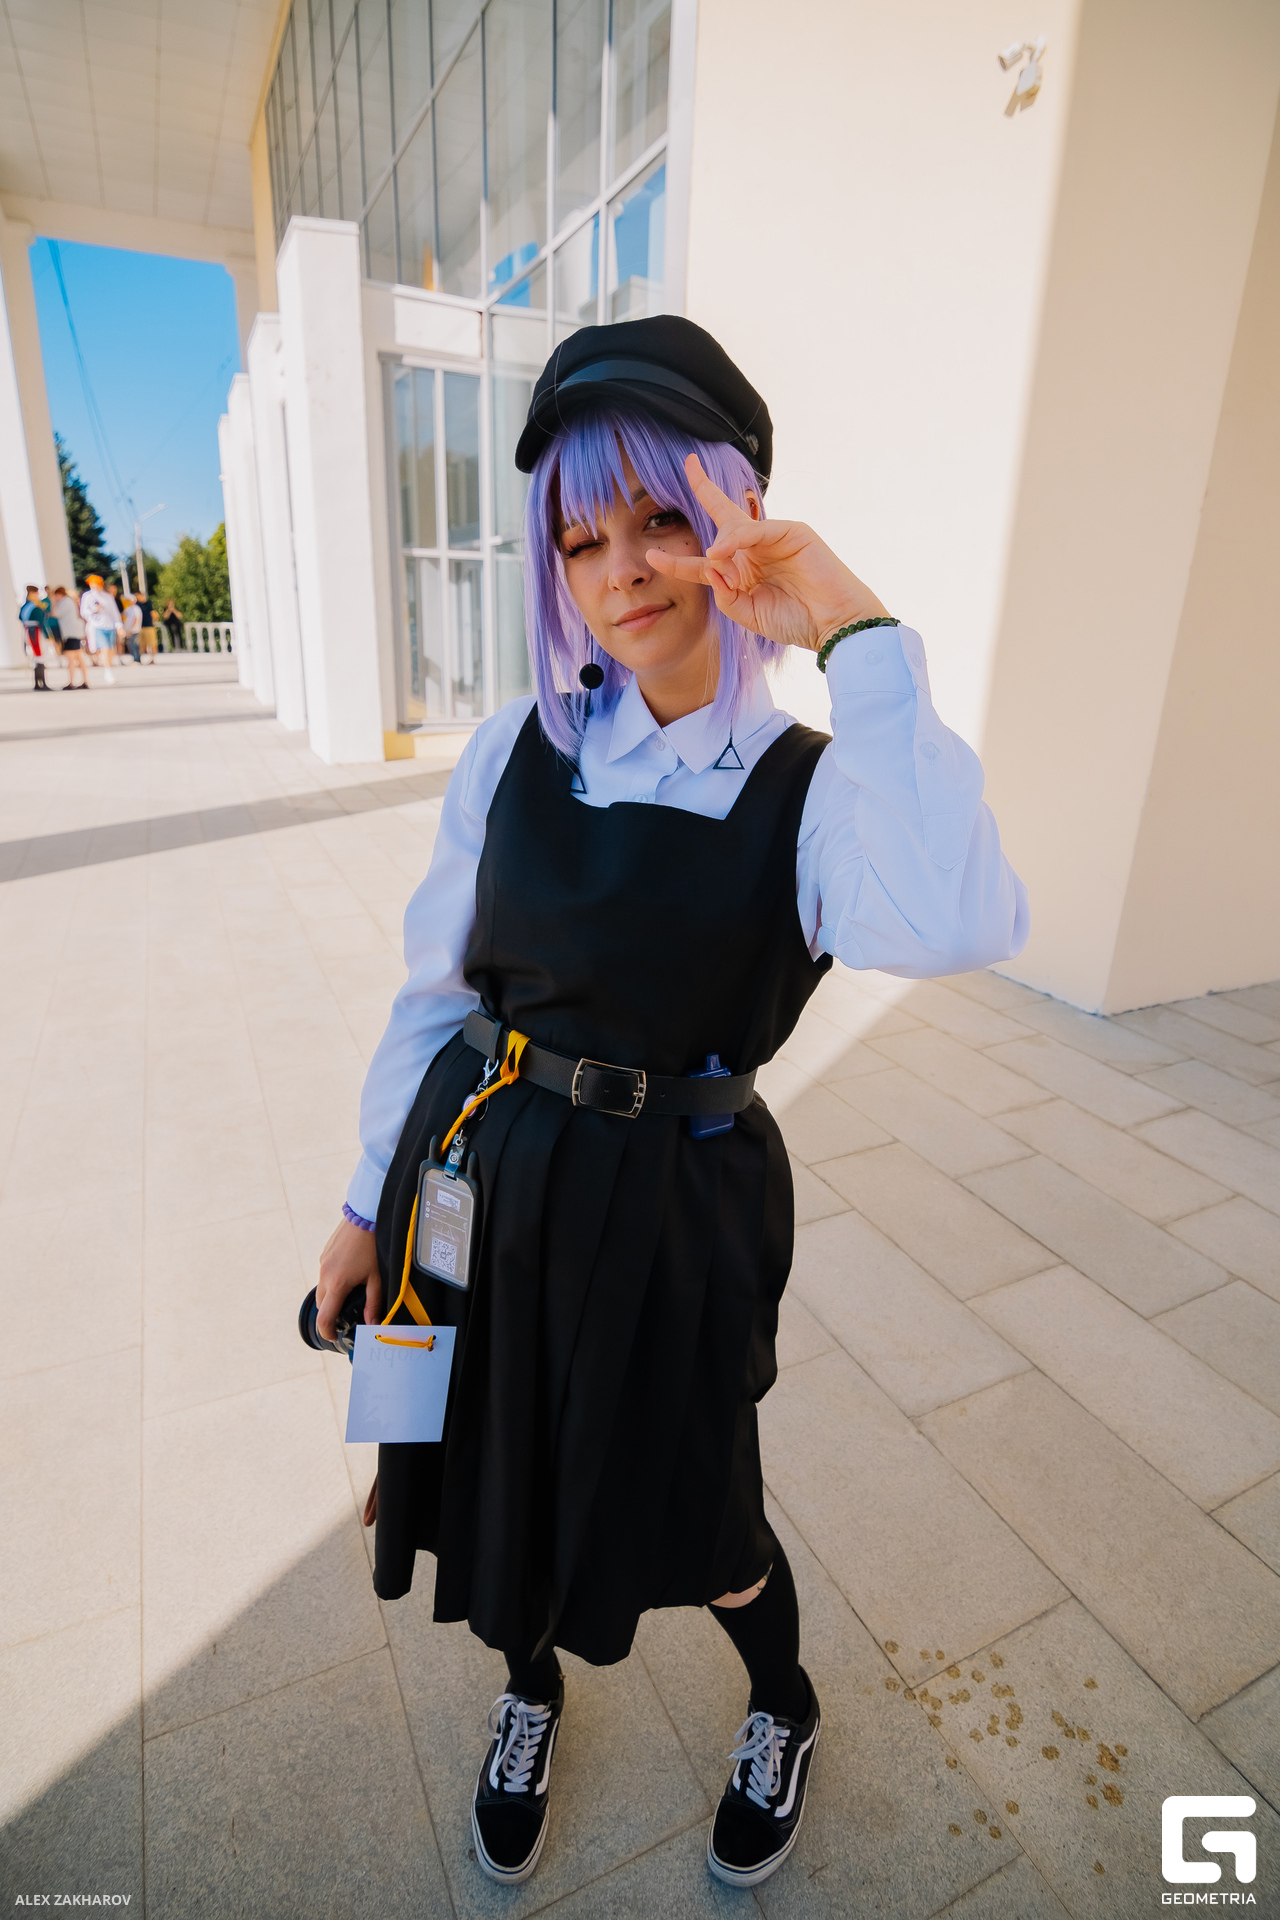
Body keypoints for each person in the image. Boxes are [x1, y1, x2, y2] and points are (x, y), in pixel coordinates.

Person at [312, 317, 1029, 1893]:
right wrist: (367, 1204)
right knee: (484, 1456)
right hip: (481, 1172)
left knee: (702, 1501)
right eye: (582, 538)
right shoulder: (514, 749)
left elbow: (961, 919)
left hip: (673, 1197)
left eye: (658, 518)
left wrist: (851, 626)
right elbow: (434, 991)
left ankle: (783, 1702)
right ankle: (527, 1690)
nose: (621, 569)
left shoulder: (810, 784)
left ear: (731, 515)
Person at [80, 575, 119, 681]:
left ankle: (109, 668)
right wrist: (94, 610)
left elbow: (114, 612)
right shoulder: (87, 596)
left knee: (111, 650)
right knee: (104, 648)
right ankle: (108, 671)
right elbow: (83, 612)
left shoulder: (107, 597)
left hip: (110, 626)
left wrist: (119, 625)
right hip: (97, 626)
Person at [50, 585, 89, 689]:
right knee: (79, 658)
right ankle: (85, 681)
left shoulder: (65, 602)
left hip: (70, 634)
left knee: (71, 659)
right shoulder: (69, 601)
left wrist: (53, 602)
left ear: (59, 594)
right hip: (75, 633)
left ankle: (71, 682)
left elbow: (55, 613)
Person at [18, 587, 50, 689]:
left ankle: (38, 683)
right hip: (35, 632)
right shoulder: (35, 606)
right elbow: (41, 621)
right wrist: (48, 636)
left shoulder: (25, 606)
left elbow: (20, 617)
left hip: (28, 631)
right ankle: (42, 683)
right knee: (40, 656)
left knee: (36, 657)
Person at [136, 589, 157, 661]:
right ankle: (140, 659)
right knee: (141, 644)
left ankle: (152, 659)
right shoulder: (137, 604)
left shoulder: (148, 603)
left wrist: (152, 621)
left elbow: (153, 613)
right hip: (140, 627)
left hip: (148, 626)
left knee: (152, 643)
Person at [122, 595, 142, 664]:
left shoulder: (136, 609)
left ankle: (137, 659)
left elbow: (135, 619)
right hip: (129, 630)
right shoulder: (129, 609)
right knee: (131, 645)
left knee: (134, 645)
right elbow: (123, 614)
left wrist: (131, 629)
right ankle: (134, 659)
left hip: (134, 630)